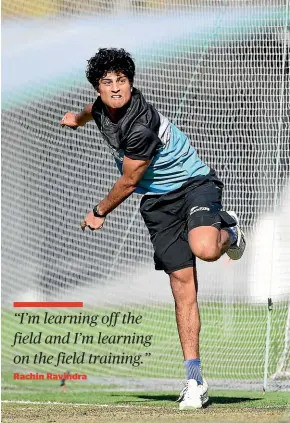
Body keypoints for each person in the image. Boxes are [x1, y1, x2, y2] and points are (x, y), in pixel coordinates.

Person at [60, 47, 246, 409]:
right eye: (107, 82)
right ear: (98, 87)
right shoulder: (100, 107)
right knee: (181, 285)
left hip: (192, 184)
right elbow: (90, 112)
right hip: (158, 204)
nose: (116, 88)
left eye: (122, 80)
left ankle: (232, 231)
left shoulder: (141, 123)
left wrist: (99, 211)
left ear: (132, 83)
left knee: (206, 248)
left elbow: (129, 183)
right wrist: (75, 119)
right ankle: (195, 381)